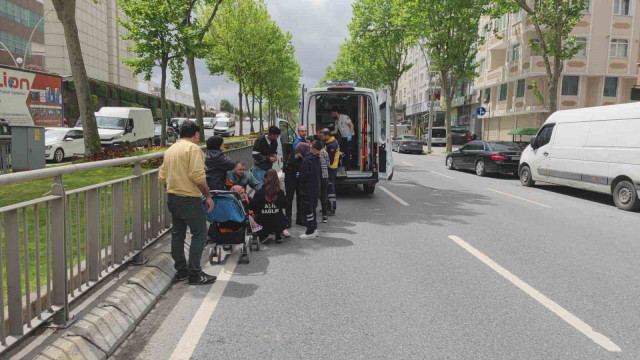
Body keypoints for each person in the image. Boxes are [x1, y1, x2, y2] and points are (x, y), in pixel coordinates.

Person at [158, 120, 216, 285]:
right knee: (200, 233)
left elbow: (162, 176)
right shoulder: (193, 149)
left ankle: (182, 270)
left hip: (173, 197)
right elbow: (198, 176)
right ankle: (195, 273)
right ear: (196, 134)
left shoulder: (170, 150)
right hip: (190, 198)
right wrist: (208, 196)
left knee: (178, 234)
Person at [249, 169, 287, 244]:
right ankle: (278, 235)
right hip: (277, 222)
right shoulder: (280, 192)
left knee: (260, 217)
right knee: (280, 216)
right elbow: (285, 205)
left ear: (265, 179)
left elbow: (251, 206)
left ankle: (264, 235)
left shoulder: (259, 192)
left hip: (263, 222)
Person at [299, 141, 322, 239]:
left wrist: (299, 176)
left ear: (313, 148)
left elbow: (303, 176)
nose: (309, 147)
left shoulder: (307, 160)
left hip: (307, 188)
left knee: (308, 210)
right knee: (313, 208)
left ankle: (310, 231)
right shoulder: (317, 159)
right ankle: (314, 228)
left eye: (311, 146)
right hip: (316, 187)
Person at [284, 135, 304, 227]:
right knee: (289, 198)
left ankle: (299, 219)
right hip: (290, 177)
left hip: (298, 177)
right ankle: (288, 220)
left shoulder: (304, 154)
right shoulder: (294, 154)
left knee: (300, 197)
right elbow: (292, 161)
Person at [321, 128, 339, 215]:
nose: (322, 137)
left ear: (327, 135)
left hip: (331, 169)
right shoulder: (330, 141)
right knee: (327, 189)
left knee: (330, 189)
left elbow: (330, 161)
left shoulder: (331, 145)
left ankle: (332, 208)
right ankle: (327, 207)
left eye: (323, 136)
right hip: (330, 169)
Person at [318, 139, 329, 223]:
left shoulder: (317, 153)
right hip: (325, 176)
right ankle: (325, 215)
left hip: (318, 176)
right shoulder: (325, 153)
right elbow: (328, 164)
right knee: (324, 196)